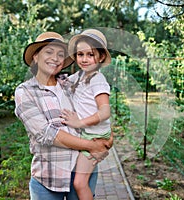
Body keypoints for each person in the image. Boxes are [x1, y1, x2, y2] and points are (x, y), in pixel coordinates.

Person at [14, 31, 112, 200]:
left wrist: (107, 138)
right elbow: (47, 134)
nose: (56, 58)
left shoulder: (71, 83)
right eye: (49, 52)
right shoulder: (25, 92)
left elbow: (98, 107)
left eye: (61, 54)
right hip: (49, 177)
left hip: (82, 170)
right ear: (36, 57)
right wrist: (92, 146)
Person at [60, 29, 112, 200]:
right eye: (80, 54)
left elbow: (105, 111)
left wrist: (80, 123)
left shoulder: (97, 80)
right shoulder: (81, 75)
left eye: (90, 54)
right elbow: (66, 82)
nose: (84, 59)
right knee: (81, 182)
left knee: (80, 183)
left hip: (93, 136)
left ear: (101, 57)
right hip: (90, 135)